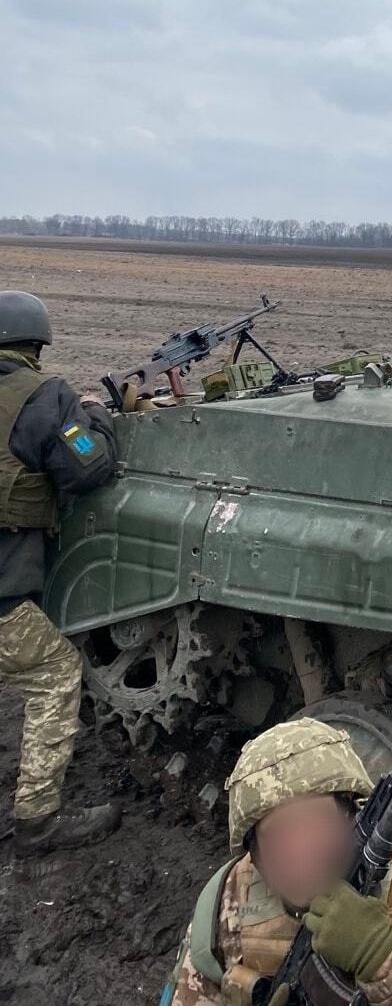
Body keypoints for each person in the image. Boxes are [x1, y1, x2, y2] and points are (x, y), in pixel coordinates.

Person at [168, 718, 392, 1006]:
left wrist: (384, 958)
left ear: (349, 815)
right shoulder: (226, 899)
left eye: (315, 824)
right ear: (254, 855)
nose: (300, 849)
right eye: (278, 835)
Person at [0, 289, 122, 857]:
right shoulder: (45, 398)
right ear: (36, 344)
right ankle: (37, 822)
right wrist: (93, 413)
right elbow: (89, 466)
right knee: (54, 672)